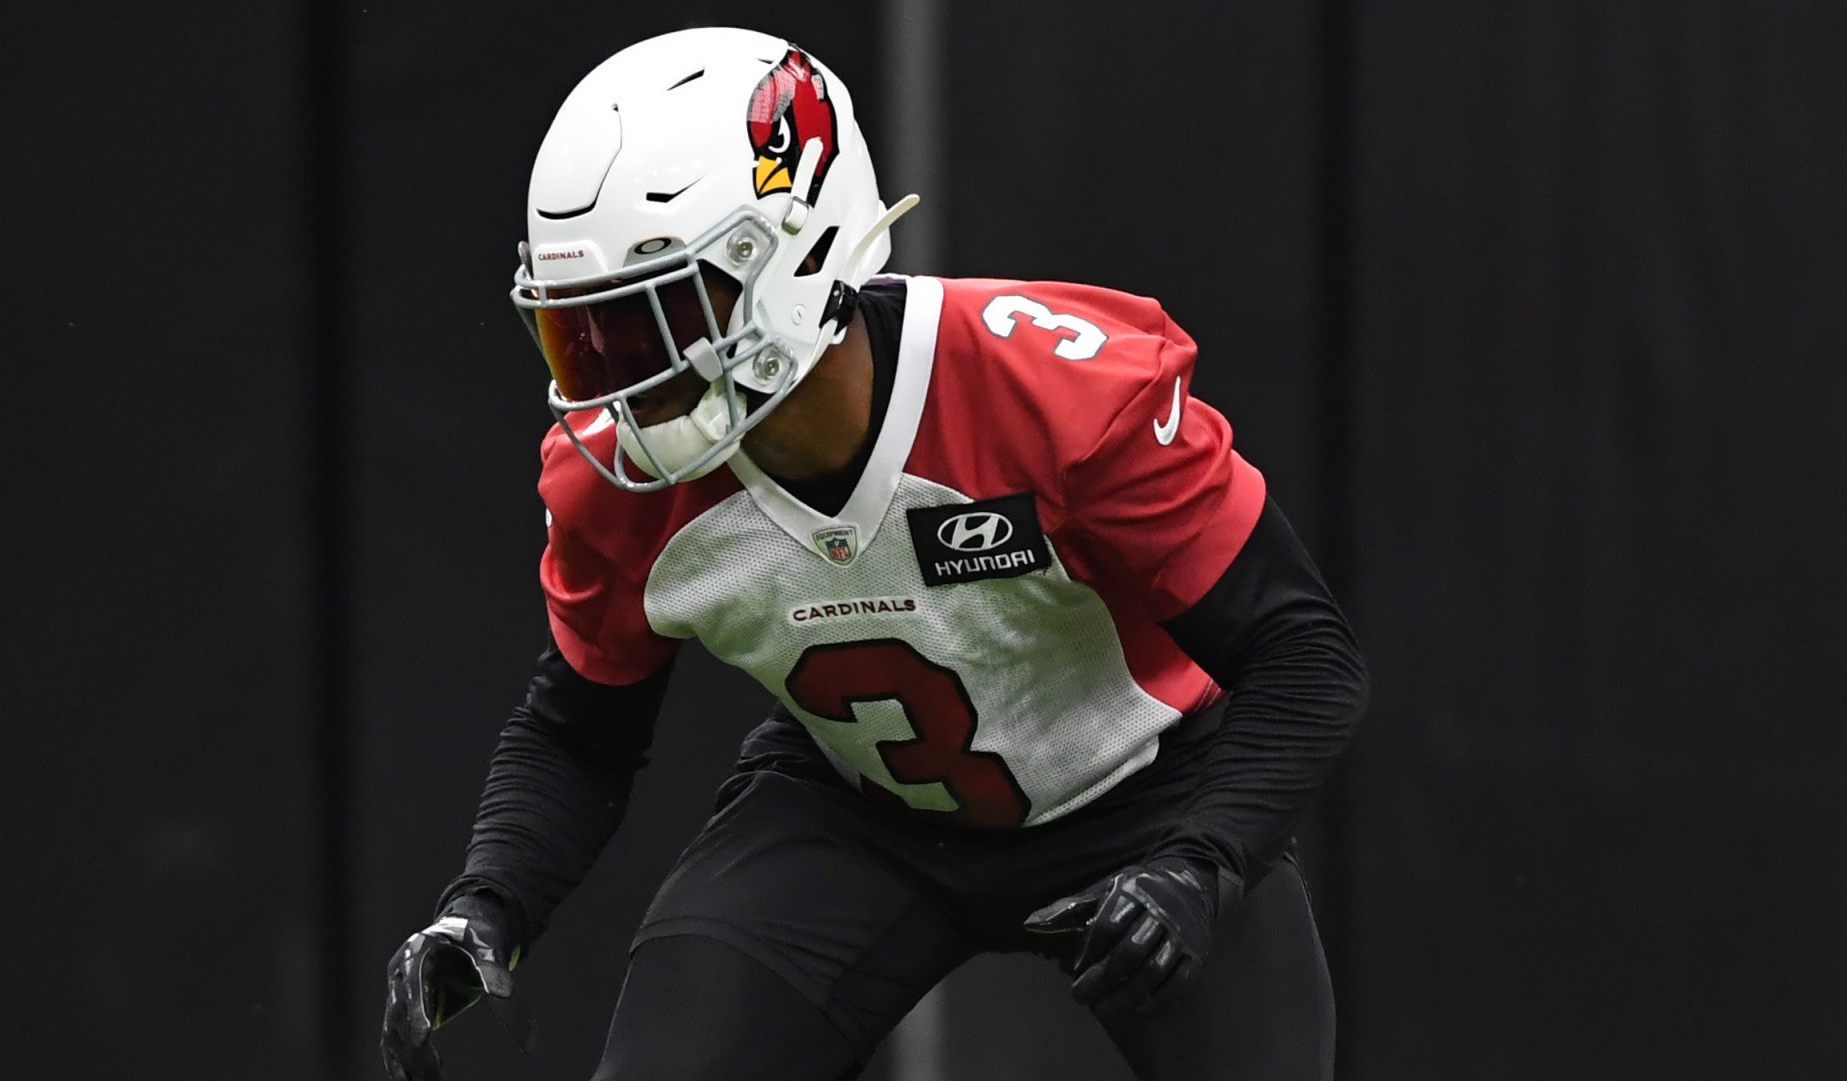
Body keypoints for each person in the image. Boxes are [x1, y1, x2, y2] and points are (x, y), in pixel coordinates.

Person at [380, 26, 1368, 1081]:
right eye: (584, 336)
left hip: (1149, 792)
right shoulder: (619, 484)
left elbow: (1306, 654)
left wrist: (1200, 862)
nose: (618, 382)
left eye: (655, 318)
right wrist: (483, 907)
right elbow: (580, 729)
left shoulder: (1054, 395)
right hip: (860, 816)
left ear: (794, 256)